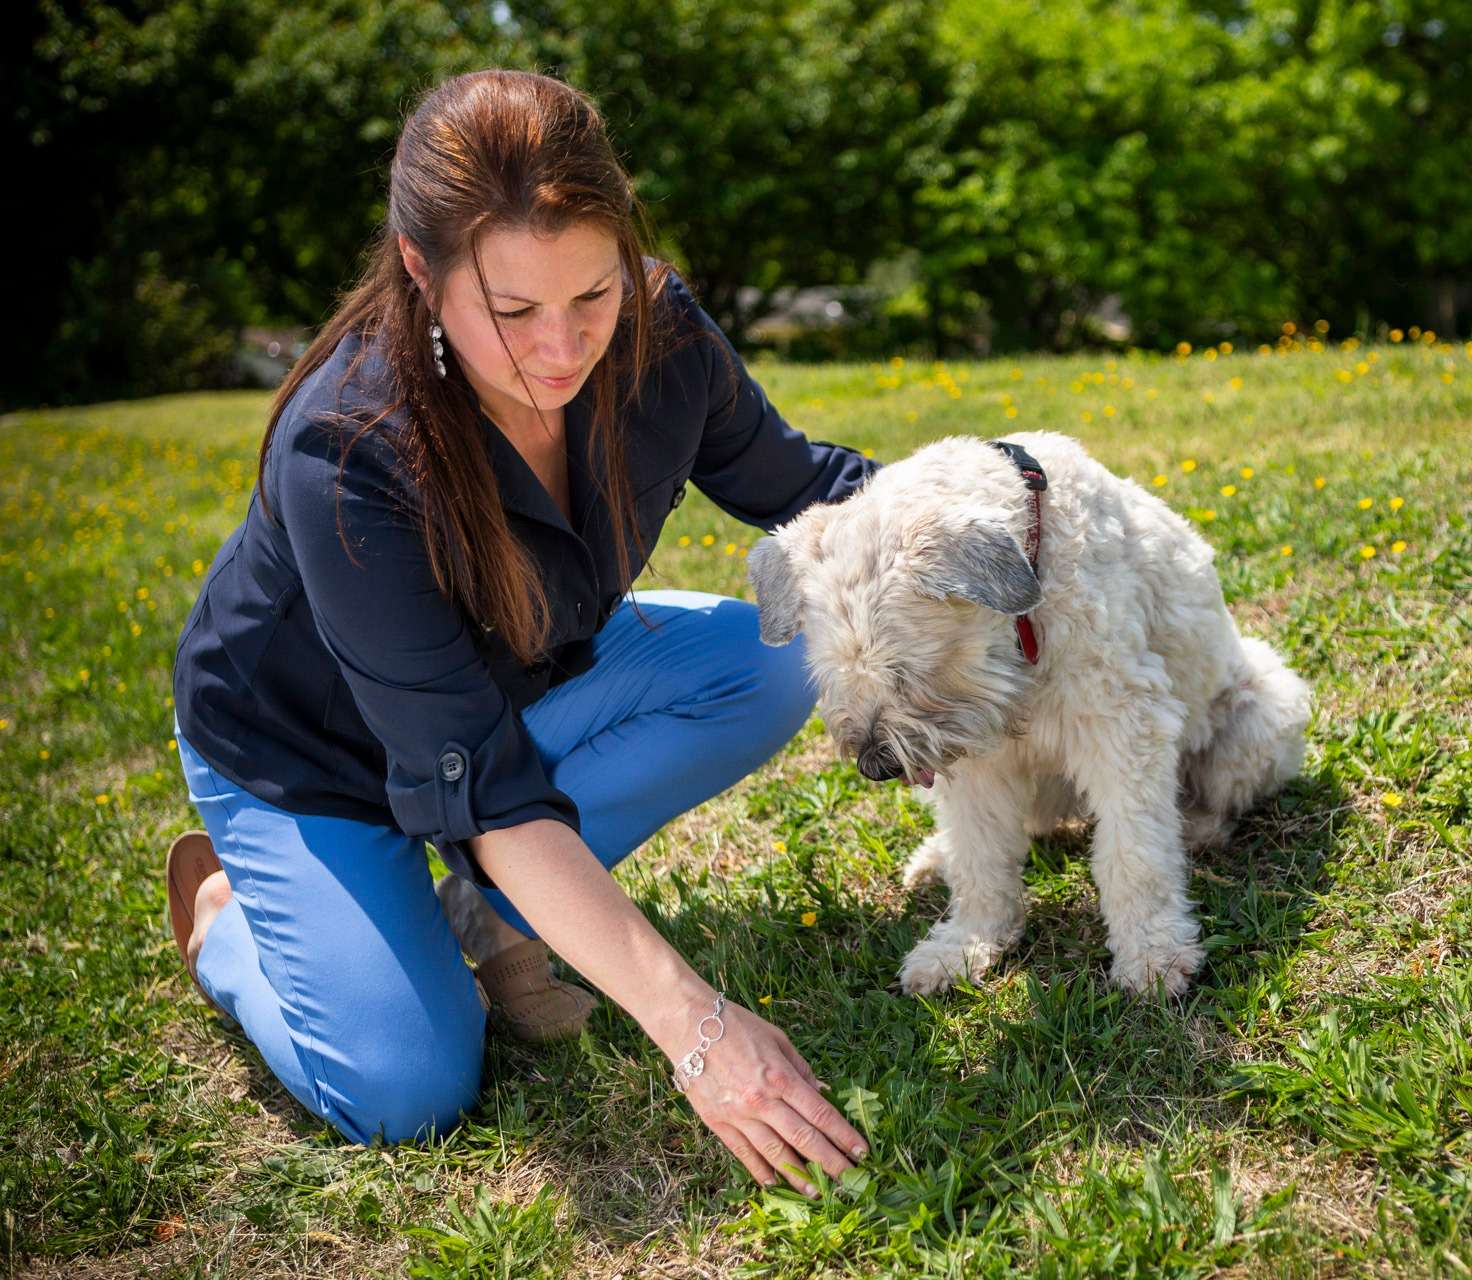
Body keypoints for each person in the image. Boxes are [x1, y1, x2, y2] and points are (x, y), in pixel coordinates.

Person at [167, 68, 875, 1194]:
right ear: (420, 269)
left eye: (592, 294)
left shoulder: (663, 334)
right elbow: (488, 786)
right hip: (309, 757)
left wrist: (1009, 491)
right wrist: (695, 1026)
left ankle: (475, 903)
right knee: (408, 1090)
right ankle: (227, 920)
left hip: (504, 699)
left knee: (778, 654)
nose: (563, 348)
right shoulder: (346, 448)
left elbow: (802, 487)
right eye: (512, 312)